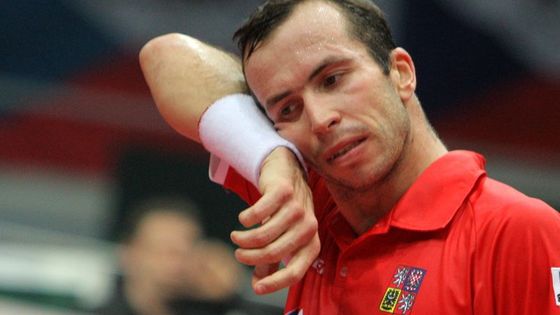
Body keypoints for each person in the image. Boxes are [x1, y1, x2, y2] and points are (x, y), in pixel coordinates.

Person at [139, 0, 560, 314]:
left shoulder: (518, 230)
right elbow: (166, 57)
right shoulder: (305, 200)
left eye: (333, 79)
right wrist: (271, 158)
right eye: (288, 109)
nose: (320, 119)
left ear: (400, 73)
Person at [95, 196, 283, 315]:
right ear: (129, 252)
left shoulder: (215, 306)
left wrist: (231, 295)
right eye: (164, 250)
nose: (177, 262)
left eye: (186, 251)